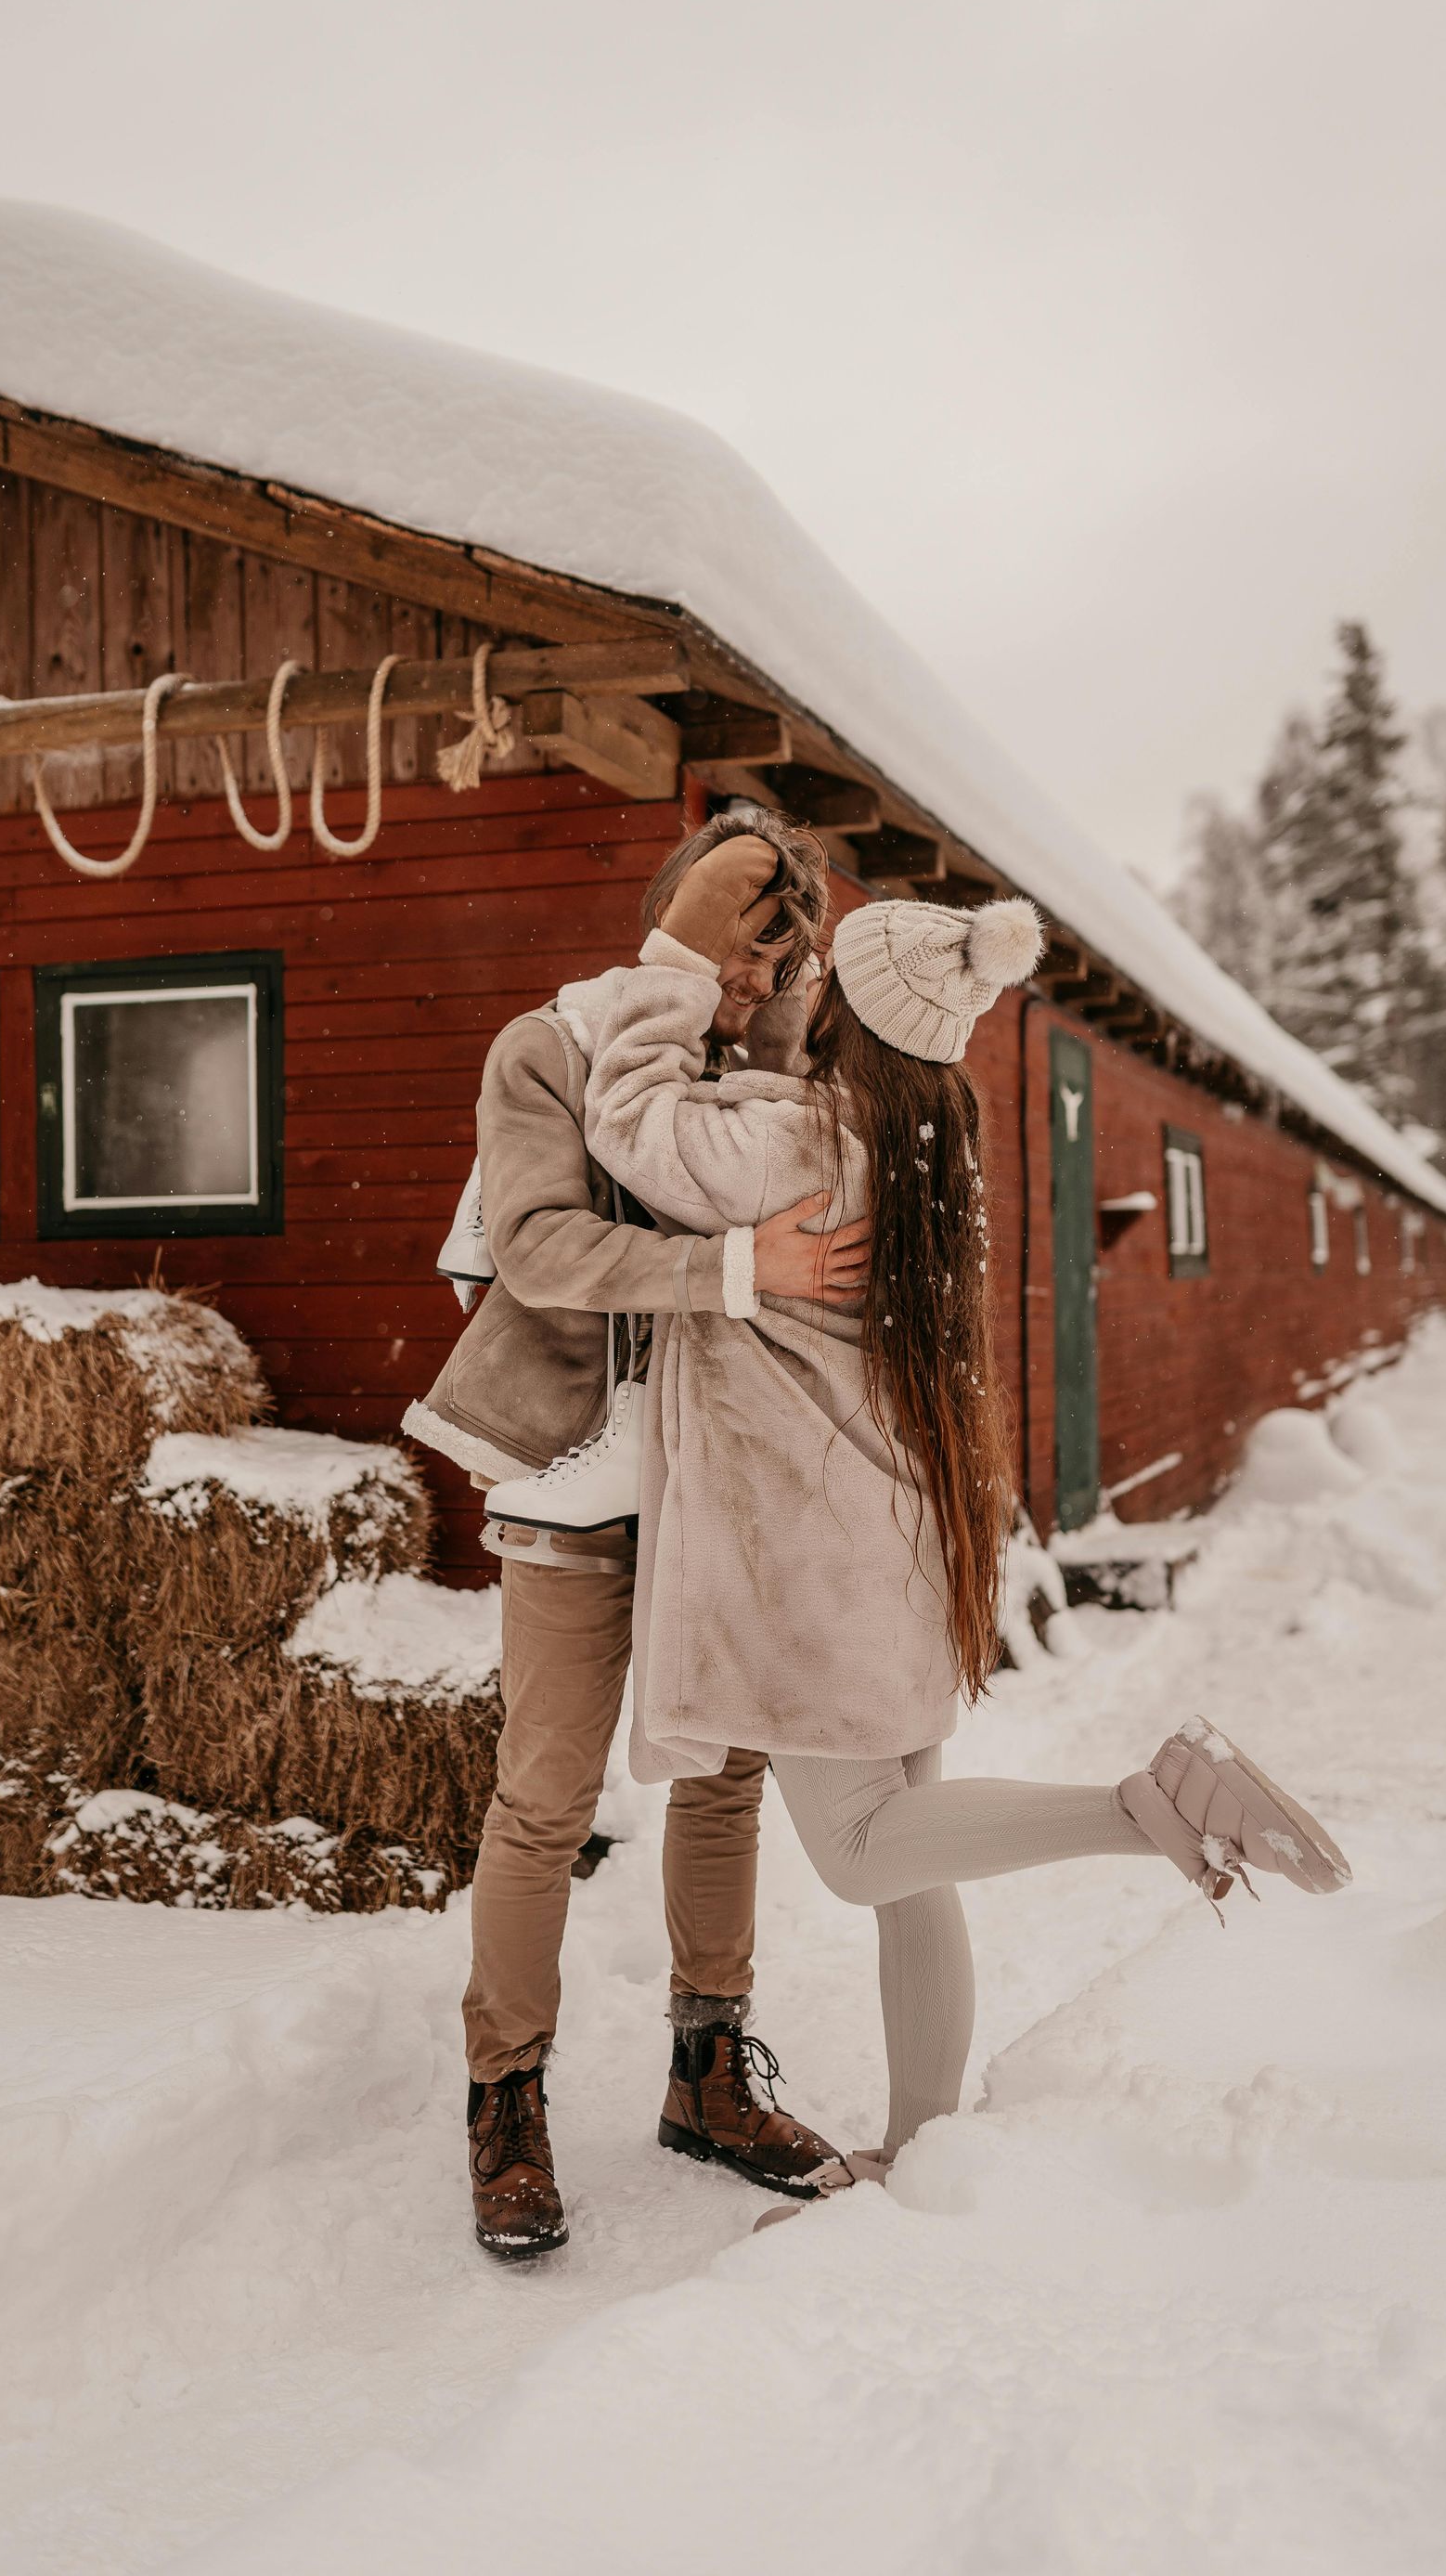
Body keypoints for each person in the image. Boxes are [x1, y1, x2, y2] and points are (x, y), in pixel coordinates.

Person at [580, 831, 1352, 2185]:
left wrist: (679, 960)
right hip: (901, 1539)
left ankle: (1152, 1806)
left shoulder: (796, 1139)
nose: (797, 983)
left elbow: (631, 1123)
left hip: (815, 1561)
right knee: (916, 1865)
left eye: (817, 973)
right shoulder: (924, 1138)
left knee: (869, 1854)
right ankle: (926, 2152)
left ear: (850, 1011)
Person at [405, 814, 865, 2262]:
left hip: (716, 1495)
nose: (750, 988)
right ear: (678, 930)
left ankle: (707, 2072)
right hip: (568, 1487)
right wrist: (736, 1264)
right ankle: (505, 2098)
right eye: (736, 956)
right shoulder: (546, 1047)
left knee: (723, 1786)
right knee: (542, 1800)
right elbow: (538, 1245)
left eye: (775, 964)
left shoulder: (770, 1077)